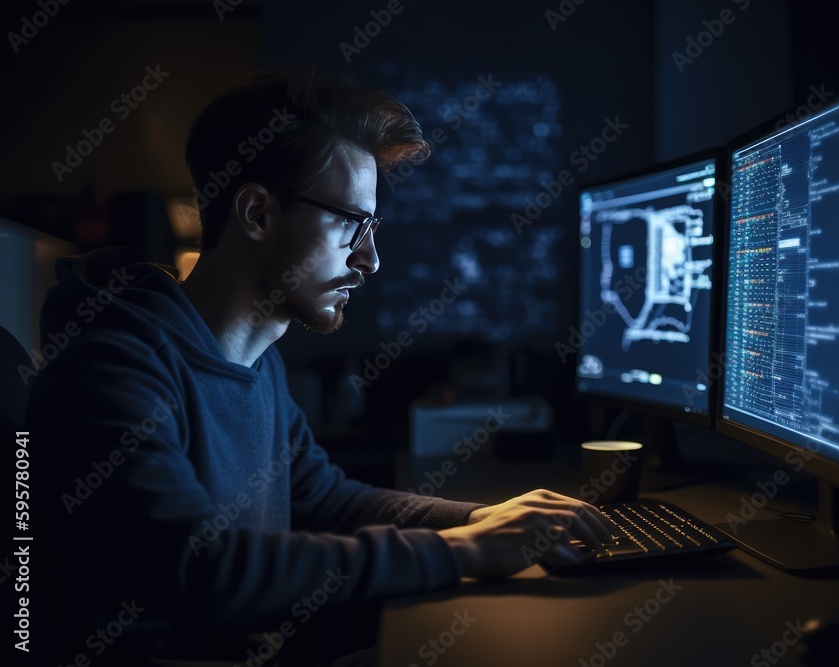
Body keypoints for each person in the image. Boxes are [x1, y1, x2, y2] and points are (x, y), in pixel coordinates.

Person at [26, 66, 612, 666]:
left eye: (372, 226)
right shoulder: (110, 367)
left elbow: (326, 500)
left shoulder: (257, 362)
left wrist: (483, 520)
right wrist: (459, 552)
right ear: (256, 213)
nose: (370, 260)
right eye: (351, 224)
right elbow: (201, 570)